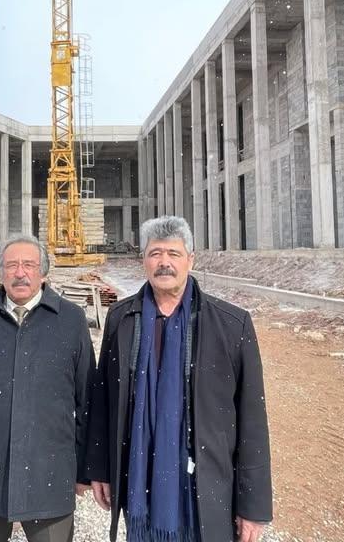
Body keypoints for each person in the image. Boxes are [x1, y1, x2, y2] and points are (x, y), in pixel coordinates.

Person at [85, 216, 272, 542]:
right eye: (155, 253)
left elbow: (252, 420)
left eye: (173, 253)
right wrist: (99, 468)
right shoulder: (122, 319)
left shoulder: (231, 325)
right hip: (139, 487)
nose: (164, 263)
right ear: (143, 260)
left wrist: (253, 505)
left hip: (206, 488)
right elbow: (104, 402)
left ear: (191, 259)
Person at [0, 235, 95, 542]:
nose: (20, 272)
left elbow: (88, 401)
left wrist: (86, 469)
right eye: (11, 265)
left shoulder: (71, 320)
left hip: (49, 472)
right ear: (0, 273)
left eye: (29, 265)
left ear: (44, 273)